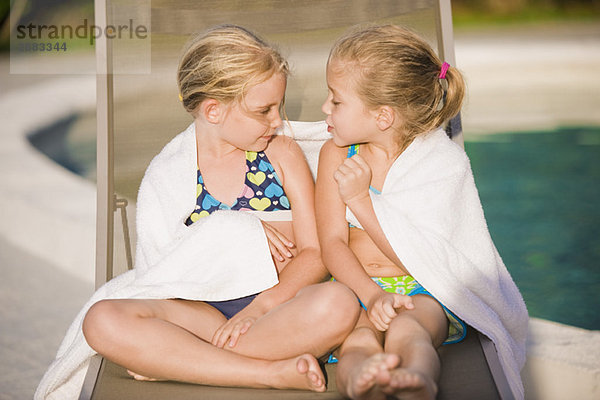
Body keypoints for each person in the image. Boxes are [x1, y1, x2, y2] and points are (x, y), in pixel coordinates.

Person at [82, 25, 359, 392]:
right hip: (202, 315)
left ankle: (185, 361)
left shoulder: (280, 156)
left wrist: (261, 308)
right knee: (101, 320)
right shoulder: (170, 175)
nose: (277, 121)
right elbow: (162, 275)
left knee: (337, 302)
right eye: (264, 110)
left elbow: (316, 252)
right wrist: (238, 231)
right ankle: (267, 373)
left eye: (279, 107)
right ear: (213, 110)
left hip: (277, 310)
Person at [316, 24, 528, 400]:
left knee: (410, 332)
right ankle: (360, 380)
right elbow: (331, 242)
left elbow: (425, 253)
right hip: (354, 286)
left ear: (383, 116)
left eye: (336, 100)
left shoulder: (439, 163)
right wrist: (369, 294)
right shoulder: (335, 155)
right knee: (357, 340)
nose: (324, 109)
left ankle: (417, 380)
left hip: (422, 289)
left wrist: (362, 200)